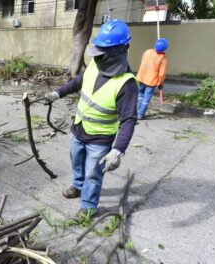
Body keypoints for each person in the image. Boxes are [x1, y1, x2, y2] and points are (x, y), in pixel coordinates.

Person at [45, 19, 138, 221]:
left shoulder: (126, 83)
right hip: (79, 129)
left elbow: (129, 120)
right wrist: (57, 93)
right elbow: (78, 82)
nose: (97, 55)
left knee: (93, 174)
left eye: (102, 51)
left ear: (117, 51)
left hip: (100, 139)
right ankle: (77, 186)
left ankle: (88, 207)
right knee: (76, 162)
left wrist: (118, 150)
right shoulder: (95, 65)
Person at [136, 38, 168, 120]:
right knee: (146, 98)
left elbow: (143, 62)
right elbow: (161, 74)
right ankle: (140, 114)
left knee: (140, 95)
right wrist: (160, 83)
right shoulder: (163, 59)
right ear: (165, 48)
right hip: (151, 81)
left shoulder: (147, 52)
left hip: (141, 77)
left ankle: (136, 112)